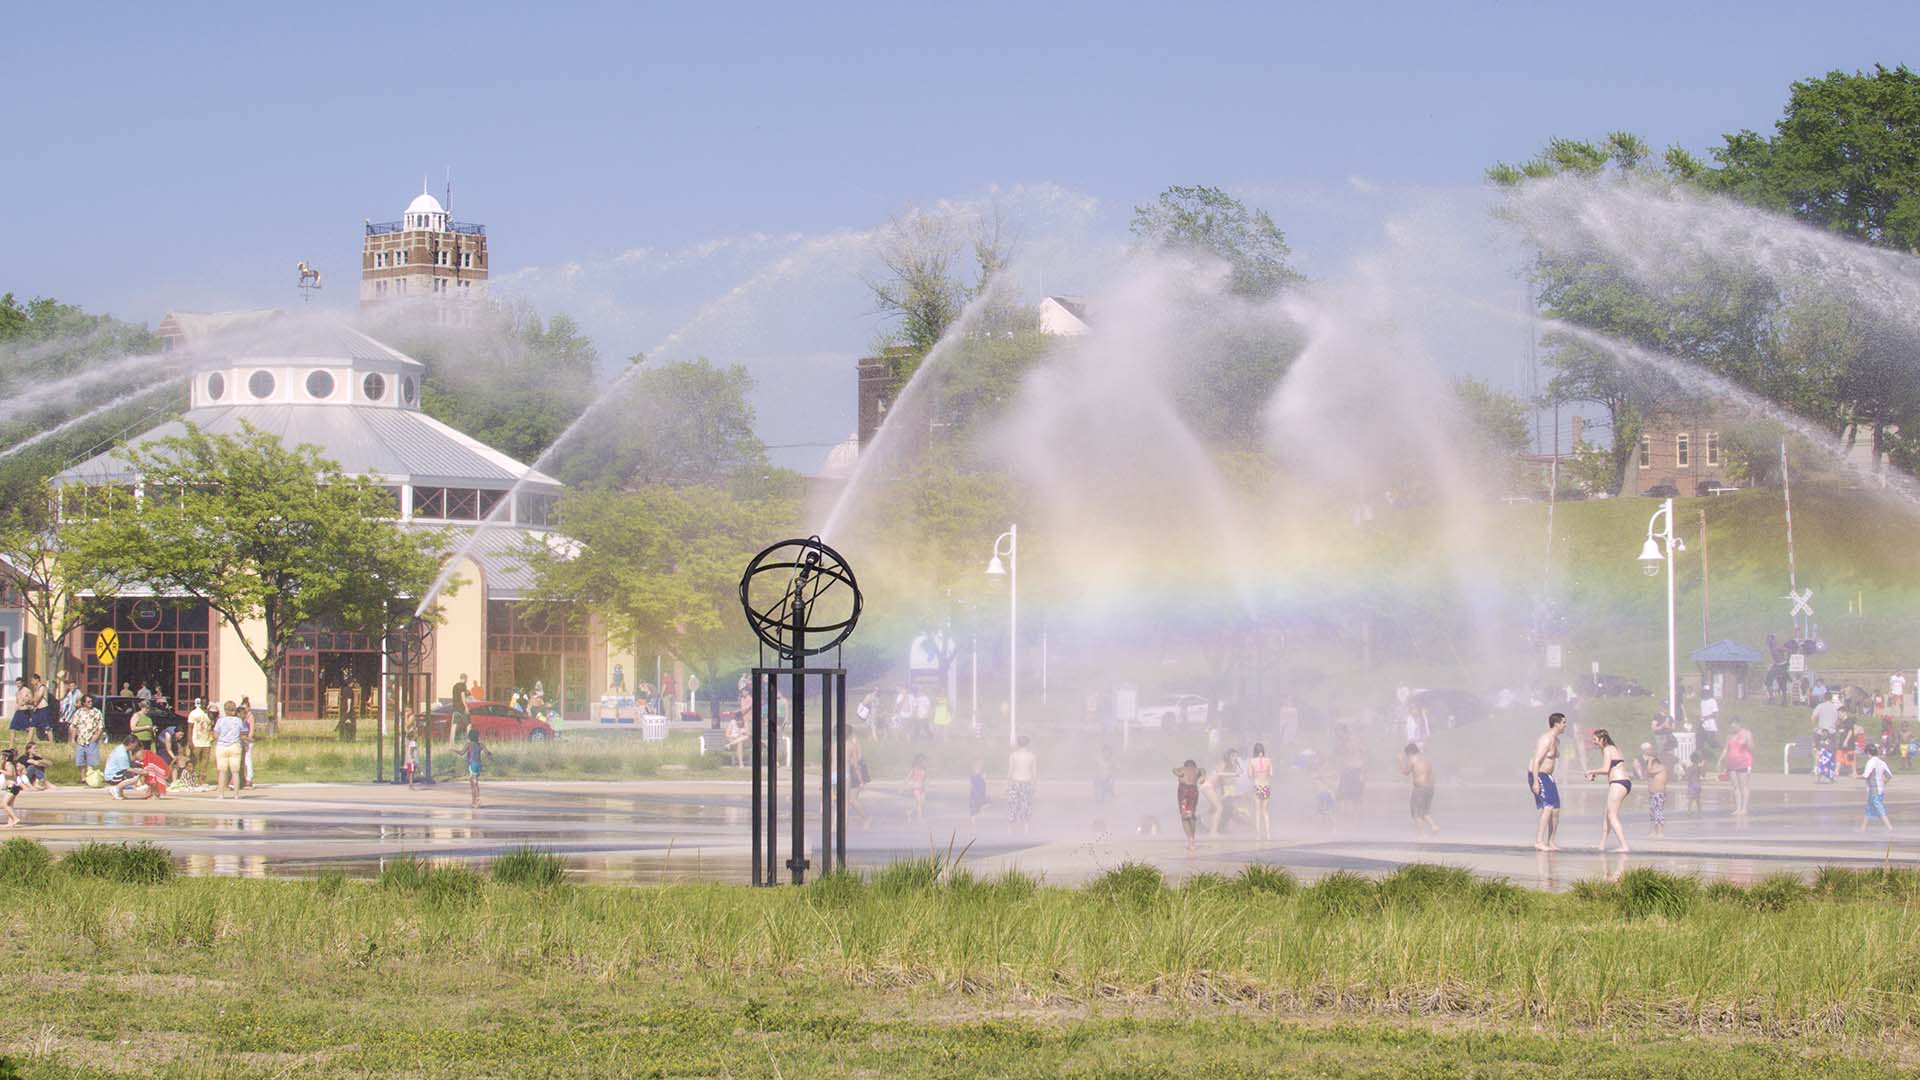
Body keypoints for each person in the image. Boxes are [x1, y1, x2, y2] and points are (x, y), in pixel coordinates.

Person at [1583, 728, 1632, 853]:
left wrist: (1591, 771)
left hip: (1618, 783)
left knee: (1612, 815)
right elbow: (1611, 768)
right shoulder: (1614, 748)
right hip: (1622, 782)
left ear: (1603, 739)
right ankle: (1602, 845)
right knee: (1607, 814)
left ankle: (1624, 846)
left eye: (1595, 740)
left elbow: (1605, 769)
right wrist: (1595, 773)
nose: (1594, 742)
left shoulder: (1607, 749)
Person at [1528, 712, 1569, 852]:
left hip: (1548, 777)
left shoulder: (1557, 740)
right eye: (1564, 722)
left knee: (1556, 809)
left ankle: (1550, 841)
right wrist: (1535, 781)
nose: (1565, 725)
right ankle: (1539, 841)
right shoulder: (1546, 739)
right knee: (1548, 807)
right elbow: (1536, 761)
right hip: (1538, 774)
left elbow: (1553, 761)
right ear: (1556, 724)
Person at [1399, 741, 1437, 835]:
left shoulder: (1413, 759)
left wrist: (1400, 760)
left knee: (1416, 813)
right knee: (1425, 812)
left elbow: (1405, 772)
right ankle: (1434, 826)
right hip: (1430, 788)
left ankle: (1422, 835)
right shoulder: (1425, 760)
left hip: (1420, 788)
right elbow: (1431, 775)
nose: (1407, 757)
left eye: (1406, 755)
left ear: (1410, 753)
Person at [212, 701, 247, 798]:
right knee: (235, 772)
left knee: (222, 771)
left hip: (222, 746)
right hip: (235, 745)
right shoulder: (238, 720)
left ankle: (221, 794)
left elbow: (215, 734)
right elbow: (241, 733)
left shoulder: (220, 720)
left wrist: (220, 739)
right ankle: (236, 794)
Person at [1721, 719, 1755, 817]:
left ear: (1739, 724)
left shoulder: (1747, 734)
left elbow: (1752, 748)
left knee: (1743, 785)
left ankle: (1744, 808)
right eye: (1731, 727)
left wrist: (1747, 743)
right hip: (1732, 764)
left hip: (1744, 762)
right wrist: (1721, 760)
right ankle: (1738, 808)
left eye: (1734, 726)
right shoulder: (1730, 736)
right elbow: (1726, 749)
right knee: (1735, 786)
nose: (1733, 728)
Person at [1172, 758, 1206, 853]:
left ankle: (1190, 839)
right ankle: (1192, 838)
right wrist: (1203, 776)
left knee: (1184, 817)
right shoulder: (1197, 770)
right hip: (1193, 790)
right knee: (1191, 815)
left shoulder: (1182, 769)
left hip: (1183, 791)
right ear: (1194, 765)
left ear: (1185, 765)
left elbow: (1174, 769)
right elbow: (1203, 770)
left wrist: (1177, 773)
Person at [1007, 735, 1038, 834]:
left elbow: (1010, 772)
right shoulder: (1032, 756)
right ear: (1028, 744)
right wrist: (1034, 786)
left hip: (1015, 782)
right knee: (1026, 806)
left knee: (1013, 805)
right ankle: (1026, 829)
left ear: (1018, 744)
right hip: (1026, 783)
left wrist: (1006, 786)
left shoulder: (1013, 755)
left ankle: (1010, 829)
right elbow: (1034, 774)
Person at [1861, 743, 1894, 833]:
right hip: (1880, 790)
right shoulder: (1881, 762)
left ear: (1868, 752)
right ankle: (1863, 829)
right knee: (1869, 808)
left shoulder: (1871, 762)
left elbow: (1866, 775)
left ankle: (1890, 828)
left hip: (1873, 790)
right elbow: (1889, 775)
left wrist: (1855, 776)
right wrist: (1884, 783)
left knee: (1879, 808)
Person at [1641, 742, 1670, 838]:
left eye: (1652, 762)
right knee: (1652, 813)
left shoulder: (1660, 767)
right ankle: (1654, 831)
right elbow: (1647, 773)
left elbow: (1649, 771)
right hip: (1653, 794)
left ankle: (1660, 831)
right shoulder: (1654, 768)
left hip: (1659, 794)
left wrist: (1650, 760)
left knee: (1658, 812)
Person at [70, 694, 104, 773]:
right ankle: (82, 778)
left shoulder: (97, 712)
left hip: (91, 739)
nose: (90, 703)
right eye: (88, 701)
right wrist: (72, 739)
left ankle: (89, 775)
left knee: (91, 760)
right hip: (81, 740)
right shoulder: (79, 712)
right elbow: (74, 726)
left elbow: (101, 726)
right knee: (80, 760)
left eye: (91, 701)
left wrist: (96, 736)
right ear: (84, 703)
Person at [1249, 742, 1275, 841]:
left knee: (1257, 811)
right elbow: (1271, 774)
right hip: (1266, 786)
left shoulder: (1252, 761)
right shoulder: (1268, 760)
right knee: (1265, 811)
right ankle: (1268, 835)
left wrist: (1257, 773)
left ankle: (1258, 835)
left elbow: (1250, 775)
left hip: (1257, 786)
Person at [463, 728, 494, 808]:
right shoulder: (481, 744)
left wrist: (452, 750)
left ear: (470, 736)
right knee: (475, 783)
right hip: (479, 765)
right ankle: (475, 801)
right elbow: (487, 753)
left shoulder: (468, 744)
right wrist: (490, 757)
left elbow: (461, 753)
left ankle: (476, 801)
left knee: (473, 784)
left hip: (472, 765)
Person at [187, 698, 213, 779]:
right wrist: (190, 741)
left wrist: (209, 712)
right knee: (193, 761)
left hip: (206, 742)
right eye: (203, 703)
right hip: (196, 741)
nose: (204, 705)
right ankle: (190, 778)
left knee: (204, 762)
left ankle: (202, 779)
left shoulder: (208, 713)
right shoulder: (194, 713)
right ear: (200, 703)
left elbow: (211, 723)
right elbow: (190, 728)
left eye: (206, 703)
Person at [7, 678, 32, 750]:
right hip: (18, 711)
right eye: (17, 683)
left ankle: (29, 743)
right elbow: (17, 702)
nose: (18, 685)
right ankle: (11, 746)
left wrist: (26, 701)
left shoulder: (27, 690)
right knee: (12, 727)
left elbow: (31, 699)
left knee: (27, 728)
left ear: (22, 683)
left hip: (24, 711)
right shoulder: (17, 692)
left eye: (19, 683)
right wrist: (15, 709)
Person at [1093, 744, 1117, 810]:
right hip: (1099, 781)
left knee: (1108, 795)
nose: (1107, 754)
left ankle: (1107, 805)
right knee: (1099, 797)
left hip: (1107, 780)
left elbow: (1113, 772)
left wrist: (1110, 780)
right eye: (1106, 752)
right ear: (1103, 752)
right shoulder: (1098, 760)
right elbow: (1096, 772)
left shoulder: (1112, 761)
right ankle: (1099, 806)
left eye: (1109, 752)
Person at [907, 754, 929, 823]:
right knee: (919, 803)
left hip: (922, 789)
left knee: (922, 803)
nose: (925, 762)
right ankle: (920, 819)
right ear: (920, 761)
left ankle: (910, 812)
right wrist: (902, 787)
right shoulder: (914, 770)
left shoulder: (924, 770)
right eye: (923, 761)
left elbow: (925, 780)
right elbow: (907, 779)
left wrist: (926, 787)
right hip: (915, 788)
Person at [1, 748, 20, 827]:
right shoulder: (9, 764)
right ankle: (10, 822)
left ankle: (15, 818)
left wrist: (1, 770)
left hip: (12, 786)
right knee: (10, 805)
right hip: (12, 786)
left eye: (1, 757)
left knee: (4, 804)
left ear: (6, 757)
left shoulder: (8, 764)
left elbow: (10, 774)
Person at [451, 674, 471, 746]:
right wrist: (466, 706)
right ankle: (469, 741)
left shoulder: (455, 686)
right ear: (465, 679)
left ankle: (452, 742)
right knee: (469, 724)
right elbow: (462, 696)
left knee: (454, 725)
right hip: (461, 708)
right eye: (467, 679)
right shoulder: (463, 685)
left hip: (455, 707)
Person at [967, 759, 987, 825]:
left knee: (978, 803)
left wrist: (984, 792)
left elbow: (984, 783)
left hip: (979, 792)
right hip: (975, 792)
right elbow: (971, 784)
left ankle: (974, 816)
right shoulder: (973, 775)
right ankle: (973, 818)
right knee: (973, 805)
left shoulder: (982, 774)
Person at [1685, 750, 1705, 816]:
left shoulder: (1690, 768)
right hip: (1698, 785)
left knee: (1690, 799)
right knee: (1698, 799)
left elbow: (1687, 777)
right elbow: (1703, 775)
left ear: (1691, 759)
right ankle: (1700, 811)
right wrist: (1702, 766)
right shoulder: (1699, 768)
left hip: (1691, 785)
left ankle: (1689, 811)